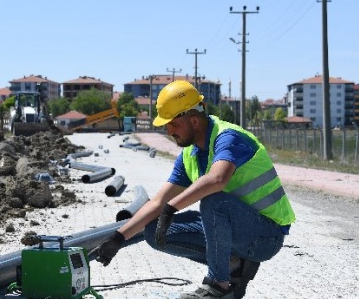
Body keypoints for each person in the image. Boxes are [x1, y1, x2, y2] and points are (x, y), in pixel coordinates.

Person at [91, 80, 295, 299]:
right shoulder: (190, 155)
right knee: (154, 231)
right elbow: (158, 202)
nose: (169, 131)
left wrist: (171, 208)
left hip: (265, 237)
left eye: (174, 124)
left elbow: (218, 179)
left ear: (194, 120)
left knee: (214, 201)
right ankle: (234, 265)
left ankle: (218, 286)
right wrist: (120, 238)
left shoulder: (229, 137)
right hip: (238, 232)